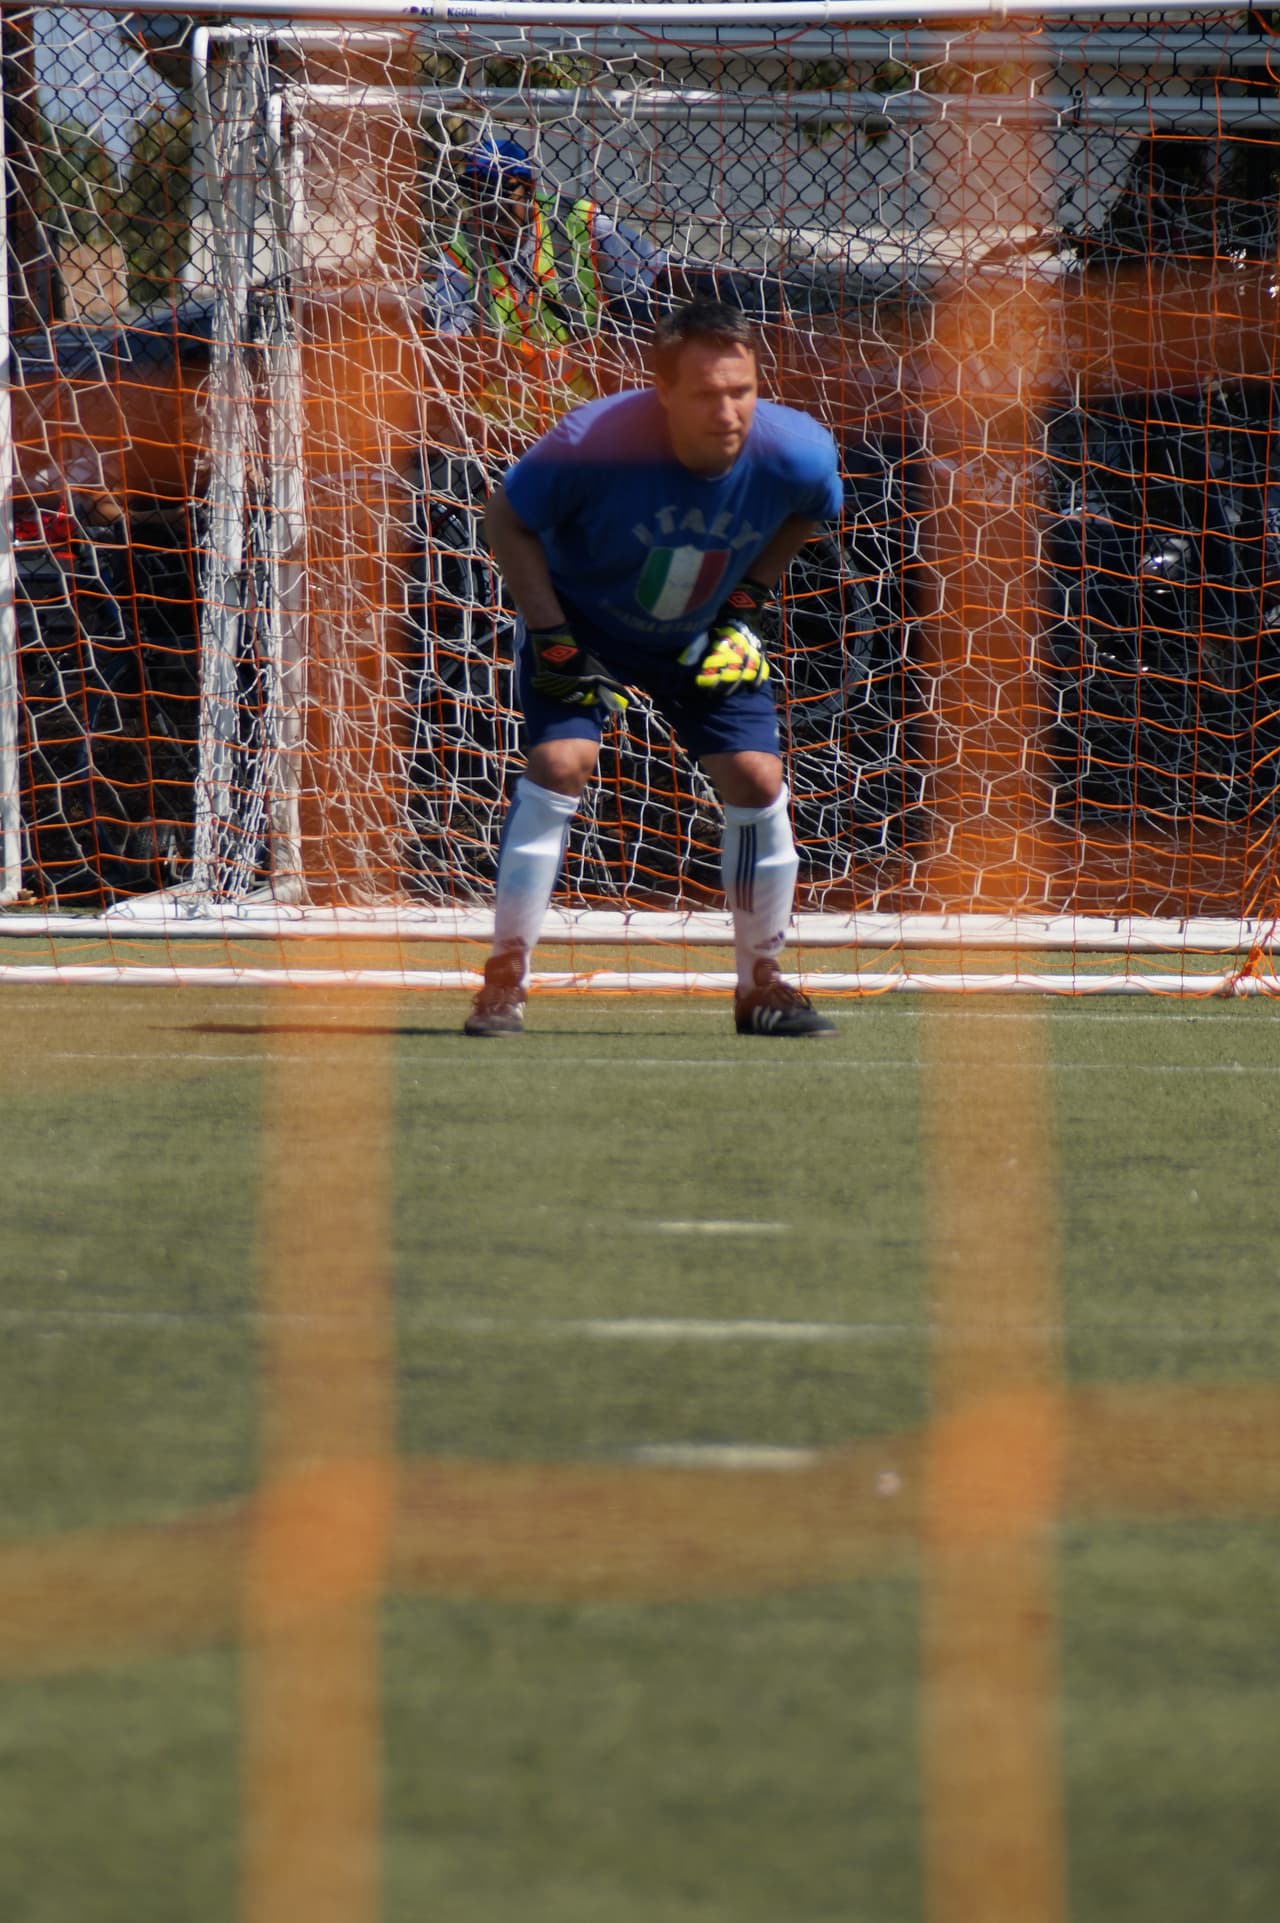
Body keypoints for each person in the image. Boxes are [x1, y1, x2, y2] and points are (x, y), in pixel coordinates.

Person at [464, 296, 844, 1039]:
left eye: (742, 391)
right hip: (585, 628)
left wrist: (744, 610)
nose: (728, 411)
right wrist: (556, 641)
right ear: (662, 392)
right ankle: (504, 978)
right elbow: (504, 518)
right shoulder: (594, 442)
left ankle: (760, 985)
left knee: (758, 778)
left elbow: (809, 511)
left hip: (701, 634)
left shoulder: (797, 452)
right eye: (705, 394)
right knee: (560, 759)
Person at [425, 135, 669, 345]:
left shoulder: (579, 220)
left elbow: (654, 281)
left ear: (529, 188)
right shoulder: (461, 250)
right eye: (477, 192)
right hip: (503, 393)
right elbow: (449, 339)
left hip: (588, 391)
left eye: (502, 189)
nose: (491, 203)